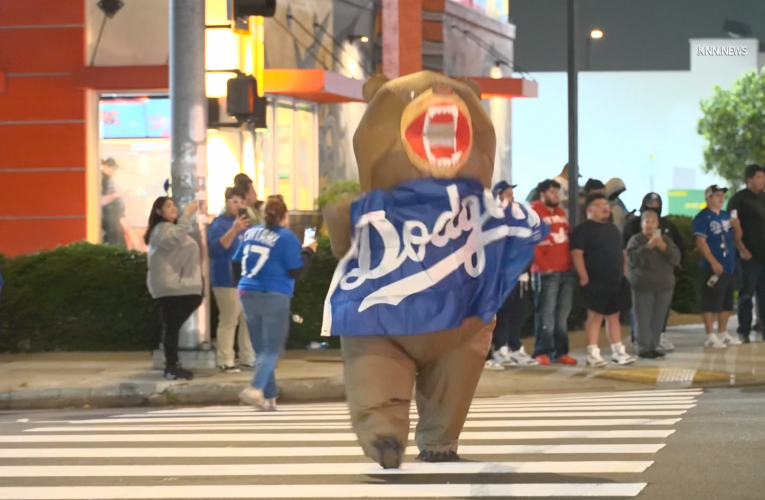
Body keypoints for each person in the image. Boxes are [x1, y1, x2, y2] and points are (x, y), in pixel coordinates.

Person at [235, 195, 317, 410]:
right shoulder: (286, 237)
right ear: (284, 215)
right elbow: (297, 271)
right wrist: (309, 250)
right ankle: (255, 388)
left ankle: (269, 396)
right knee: (272, 348)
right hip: (275, 294)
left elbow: (235, 264)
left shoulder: (250, 233)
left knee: (261, 348)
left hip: (247, 293)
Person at [570, 193, 635, 367]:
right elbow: (577, 254)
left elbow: (621, 253)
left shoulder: (613, 229)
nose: (605, 207)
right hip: (594, 281)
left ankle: (618, 351)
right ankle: (593, 353)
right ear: (590, 209)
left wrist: (623, 274)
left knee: (613, 316)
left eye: (606, 204)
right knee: (595, 317)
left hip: (615, 281)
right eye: (600, 205)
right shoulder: (583, 230)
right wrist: (583, 277)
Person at [145, 197, 203, 380]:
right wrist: (187, 214)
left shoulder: (167, 229)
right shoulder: (162, 230)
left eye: (174, 205)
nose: (174, 208)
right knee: (172, 326)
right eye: (168, 206)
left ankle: (172, 364)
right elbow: (175, 239)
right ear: (158, 212)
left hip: (177, 285)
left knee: (171, 326)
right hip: (173, 286)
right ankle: (171, 366)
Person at [622, 192, 685, 351]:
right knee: (642, 317)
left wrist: (663, 247)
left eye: (653, 221)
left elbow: (677, 257)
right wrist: (647, 247)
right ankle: (643, 347)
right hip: (643, 284)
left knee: (658, 318)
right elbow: (631, 258)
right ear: (642, 223)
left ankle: (654, 346)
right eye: (647, 221)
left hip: (664, 285)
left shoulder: (666, 238)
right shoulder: (635, 239)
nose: (650, 224)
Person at [487, 181, 538, 368]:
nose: (513, 198)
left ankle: (514, 346)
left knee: (520, 310)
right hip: (502, 274)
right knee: (504, 312)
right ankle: (499, 347)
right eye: (508, 194)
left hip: (519, 273)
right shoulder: (494, 218)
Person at [207, 187, 255, 373]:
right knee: (229, 320)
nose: (238, 205)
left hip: (245, 279)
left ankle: (247, 356)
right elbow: (216, 249)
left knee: (248, 320)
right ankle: (225, 359)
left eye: (241, 202)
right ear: (226, 202)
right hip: (225, 279)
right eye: (233, 201)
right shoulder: (219, 224)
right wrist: (235, 229)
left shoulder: (248, 225)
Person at [530, 179, 577, 365]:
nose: (556, 196)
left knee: (561, 315)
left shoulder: (561, 213)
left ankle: (560, 351)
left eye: (557, 193)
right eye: (552, 192)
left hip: (565, 271)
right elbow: (532, 242)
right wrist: (543, 265)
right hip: (545, 272)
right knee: (546, 314)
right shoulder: (534, 213)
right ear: (542, 194)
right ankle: (542, 351)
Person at [694, 185, 741, 348]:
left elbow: (737, 237)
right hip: (711, 267)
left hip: (728, 265)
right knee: (710, 301)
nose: (721, 198)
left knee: (726, 301)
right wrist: (713, 262)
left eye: (722, 195)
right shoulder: (702, 217)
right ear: (708, 198)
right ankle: (710, 335)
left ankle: (723, 332)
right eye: (717, 195)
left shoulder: (727, 216)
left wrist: (737, 227)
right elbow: (701, 242)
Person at [727, 164, 765, 343]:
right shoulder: (738, 200)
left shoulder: (763, 198)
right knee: (746, 295)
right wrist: (741, 248)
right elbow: (733, 227)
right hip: (748, 256)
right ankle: (744, 331)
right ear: (749, 180)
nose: (762, 181)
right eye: (759, 178)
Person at [101, 158, 127, 247]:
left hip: (114, 219)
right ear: (106, 166)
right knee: (114, 243)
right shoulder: (102, 180)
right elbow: (101, 201)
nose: (114, 171)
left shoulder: (108, 179)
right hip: (109, 220)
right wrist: (116, 195)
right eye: (113, 168)